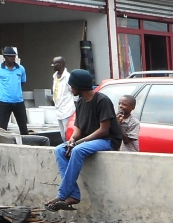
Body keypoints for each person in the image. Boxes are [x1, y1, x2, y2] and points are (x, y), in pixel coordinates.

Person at [46, 70, 123, 211]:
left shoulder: (102, 100)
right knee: (59, 150)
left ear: (78, 86)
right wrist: (72, 140)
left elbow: (104, 130)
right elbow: (78, 129)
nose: (70, 88)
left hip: (108, 140)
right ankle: (74, 194)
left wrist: (80, 142)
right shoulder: (81, 102)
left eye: (71, 86)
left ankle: (62, 194)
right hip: (87, 140)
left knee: (78, 150)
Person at [0, 46, 28, 135]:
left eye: (13, 56)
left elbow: (22, 83)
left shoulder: (21, 69)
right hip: (4, 101)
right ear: (4, 57)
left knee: (23, 126)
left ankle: (26, 145)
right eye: (9, 56)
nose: (11, 58)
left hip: (18, 101)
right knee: (2, 127)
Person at [51, 56, 74, 141]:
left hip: (67, 110)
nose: (52, 65)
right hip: (59, 110)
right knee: (62, 135)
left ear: (60, 65)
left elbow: (74, 92)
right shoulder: (55, 77)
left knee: (68, 135)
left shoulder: (68, 77)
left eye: (54, 63)